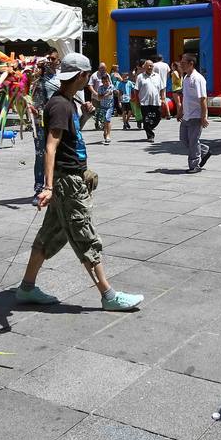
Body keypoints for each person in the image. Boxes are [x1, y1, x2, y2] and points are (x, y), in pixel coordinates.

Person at [15, 52, 143, 311]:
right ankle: (109, 296)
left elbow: (69, 140)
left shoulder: (66, 101)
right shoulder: (60, 105)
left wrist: (84, 116)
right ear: (82, 76)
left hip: (69, 179)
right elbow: (51, 147)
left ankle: (26, 288)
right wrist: (48, 187)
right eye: (88, 75)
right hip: (67, 184)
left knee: (48, 236)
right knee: (85, 235)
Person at [30, 50, 61, 196]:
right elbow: (31, 97)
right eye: (47, 58)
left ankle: (54, 185)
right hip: (40, 122)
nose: (49, 61)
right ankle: (39, 186)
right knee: (40, 154)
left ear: (58, 61)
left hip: (56, 121)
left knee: (56, 152)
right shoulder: (38, 78)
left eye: (52, 58)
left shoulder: (60, 78)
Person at [179, 53, 211, 173]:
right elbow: (185, 97)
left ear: (191, 63)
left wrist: (203, 117)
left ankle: (194, 165)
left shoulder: (197, 79)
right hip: (187, 115)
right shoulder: (186, 78)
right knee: (184, 139)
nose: (181, 64)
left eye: (183, 62)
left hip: (196, 115)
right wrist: (180, 111)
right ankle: (204, 151)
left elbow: (202, 99)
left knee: (192, 141)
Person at [137, 59, 163, 143]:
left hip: (156, 101)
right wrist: (137, 100)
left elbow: (162, 88)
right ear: (144, 67)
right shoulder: (140, 77)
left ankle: (148, 127)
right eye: (148, 65)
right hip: (145, 102)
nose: (150, 67)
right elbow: (136, 90)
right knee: (147, 118)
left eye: (151, 65)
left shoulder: (158, 76)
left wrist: (163, 98)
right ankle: (150, 135)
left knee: (158, 117)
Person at [89, 62, 114, 142]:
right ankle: (99, 124)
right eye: (102, 68)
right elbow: (90, 85)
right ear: (99, 68)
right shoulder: (94, 75)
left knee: (107, 118)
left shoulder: (107, 75)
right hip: (97, 97)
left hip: (108, 102)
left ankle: (106, 133)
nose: (103, 69)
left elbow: (111, 86)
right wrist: (95, 93)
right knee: (99, 113)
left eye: (104, 68)